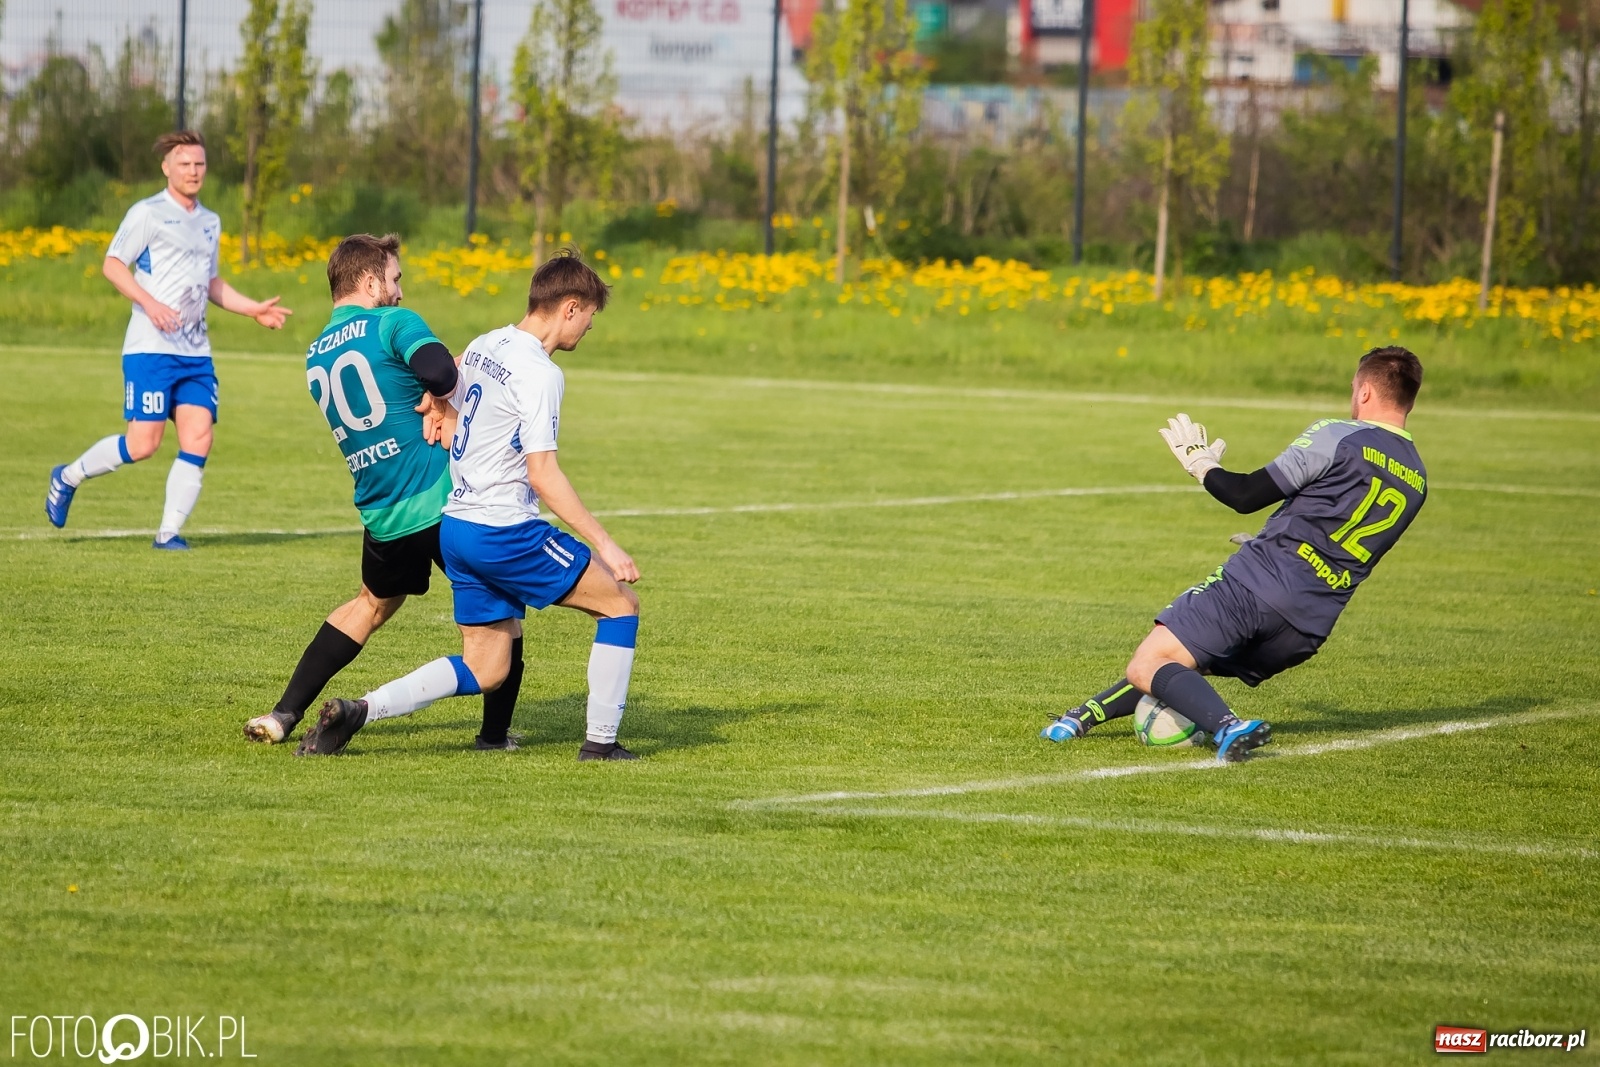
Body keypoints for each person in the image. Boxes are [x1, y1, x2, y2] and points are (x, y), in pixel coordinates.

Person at [296, 252, 643, 761]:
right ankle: (602, 744)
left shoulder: (486, 343)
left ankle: (360, 710)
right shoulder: (541, 374)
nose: (590, 327)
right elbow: (542, 473)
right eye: (590, 315)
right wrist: (607, 545)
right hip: (505, 531)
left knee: (487, 668)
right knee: (620, 604)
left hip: (457, 526)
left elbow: (449, 375)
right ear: (570, 308)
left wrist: (438, 404)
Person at [1043, 346, 1429, 762]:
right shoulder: (1417, 477)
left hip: (1258, 585)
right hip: (1307, 625)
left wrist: (1202, 464)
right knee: (1178, 663)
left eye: (1353, 388)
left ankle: (1229, 728)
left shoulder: (1338, 435)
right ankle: (1079, 718)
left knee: (1150, 662)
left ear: (1366, 391)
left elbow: (1245, 496)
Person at [243, 234, 525, 751]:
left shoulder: (315, 354)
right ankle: (493, 736)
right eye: (395, 279)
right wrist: (439, 393)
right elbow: (440, 372)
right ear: (370, 281)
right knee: (501, 616)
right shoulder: (394, 322)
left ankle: (284, 713)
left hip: (382, 511)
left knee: (370, 604)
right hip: (442, 501)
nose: (400, 290)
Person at [44, 130, 292, 548]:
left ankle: (168, 533)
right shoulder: (148, 213)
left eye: (199, 164)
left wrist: (253, 310)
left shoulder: (210, 221)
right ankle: (67, 476)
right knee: (144, 444)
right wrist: (150, 303)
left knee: (199, 436)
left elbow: (211, 282)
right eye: (184, 164)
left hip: (195, 351)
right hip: (151, 348)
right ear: (166, 168)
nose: (193, 171)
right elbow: (112, 265)